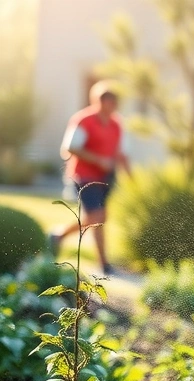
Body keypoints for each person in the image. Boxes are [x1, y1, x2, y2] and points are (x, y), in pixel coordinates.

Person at [51, 80, 130, 275]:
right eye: (108, 102)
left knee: (98, 219)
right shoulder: (83, 120)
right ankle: (59, 235)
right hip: (83, 175)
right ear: (98, 101)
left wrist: (130, 176)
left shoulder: (116, 124)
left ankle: (103, 263)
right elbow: (69, 148)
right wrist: (97, 160)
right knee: (97, 216)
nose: (112, 107)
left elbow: (119, 152)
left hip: (106, 177)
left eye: (114, 103)